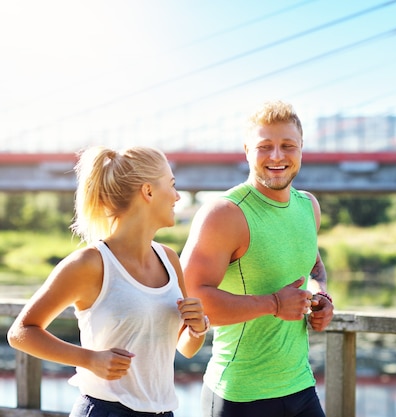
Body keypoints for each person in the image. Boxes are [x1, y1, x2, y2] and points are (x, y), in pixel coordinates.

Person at [7, 146, 209, 417]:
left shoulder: (169, 259)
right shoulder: (90, 264)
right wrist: (89, 359)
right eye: (172, 186)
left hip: (163, 411)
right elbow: (21, 333)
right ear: (148, 191)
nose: (176, 196)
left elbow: (184, 347)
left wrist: (197, 329)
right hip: (105, 410)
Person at [180, 100, 334, 417]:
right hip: (238, 395)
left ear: (301, 148)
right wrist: (273, 304)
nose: (277, 156)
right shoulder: (225, 213)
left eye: (287, 145)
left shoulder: (309, 206)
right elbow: (190, 299)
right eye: (265, 146)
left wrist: (320, 295)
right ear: (247, 149)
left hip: (301, 387)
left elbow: (314, 266)